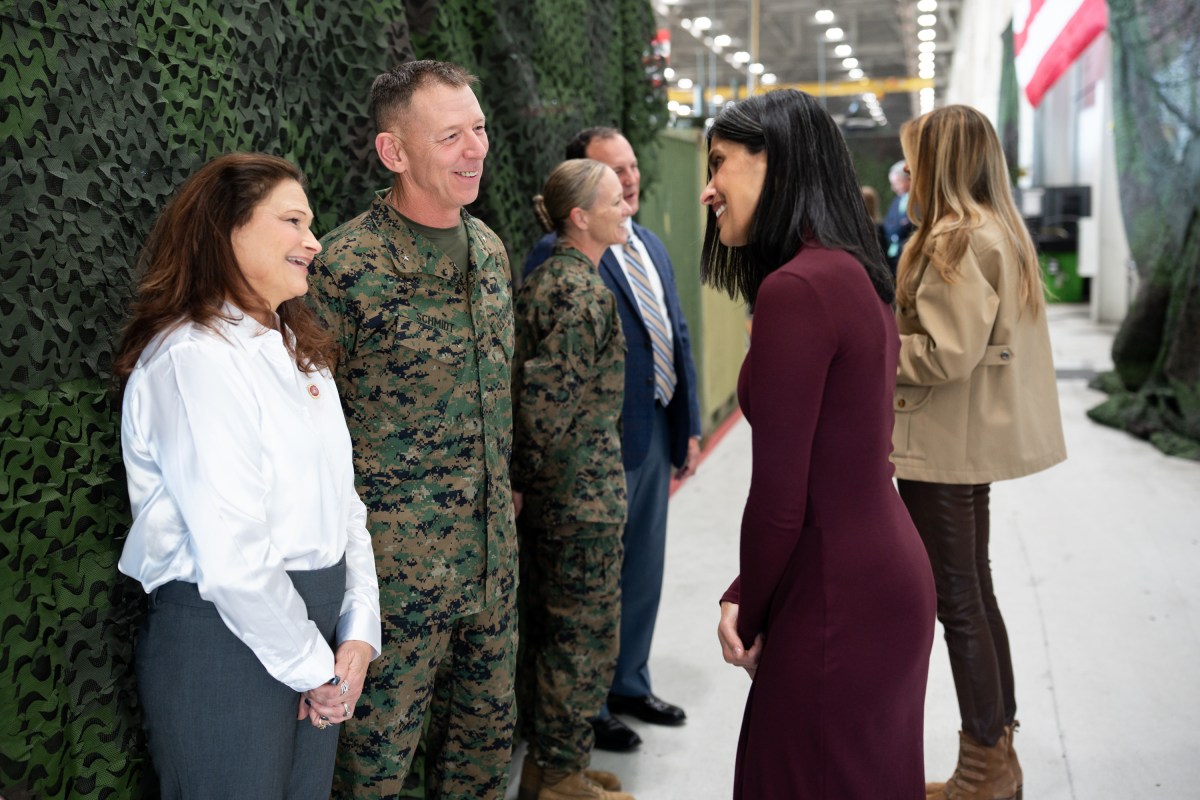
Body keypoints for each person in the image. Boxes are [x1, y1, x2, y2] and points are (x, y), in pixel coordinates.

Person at [113, 152, 382, 799]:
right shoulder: (194, 358)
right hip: (223, 642)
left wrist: (359, 635)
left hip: (314, 639)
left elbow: (347, 508)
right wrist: (316, 666)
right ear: (226, 229)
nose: (313, 241)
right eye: (292, 220)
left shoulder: (303, 356)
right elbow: (233, 555)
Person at [703, 89, 936, 799]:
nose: (709, 189)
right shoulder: (850, 273)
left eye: (719, 164)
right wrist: (754, 588)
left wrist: (751, 609)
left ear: (776, 162)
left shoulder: (797, 290)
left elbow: (779, 497)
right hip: (873, 573)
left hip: (839, 591)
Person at [308, 60, 517, 798]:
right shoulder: (342, 269)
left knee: (483, 763)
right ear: (394, 152)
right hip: (392, 592)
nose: (477, 149)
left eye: (481, 128)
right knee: (372, 777)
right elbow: (307, 434)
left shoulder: (490, 253)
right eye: (453, 135)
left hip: (491, 577)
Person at [892, 105, 1066, 800]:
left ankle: (983, 768)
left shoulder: (954, 239)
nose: (906, 172)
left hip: (941, 444)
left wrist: (872, 343)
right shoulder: (1000, 231)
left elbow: (943, 353)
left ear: (939, 163)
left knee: (958, 601)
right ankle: (997, 756)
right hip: (966, 443)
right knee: (975, 592)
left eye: (915, 158)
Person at [524, 127, 701, 753]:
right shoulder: (555, 262)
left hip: (651, 430)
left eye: (630, 168)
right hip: (596, 447)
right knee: (591, 586)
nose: (628, 183)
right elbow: (544, 384)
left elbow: (673, 334)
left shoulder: (647, 242)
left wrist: (690, 424)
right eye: (612, 174)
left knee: (643, 567)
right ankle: (588, 707)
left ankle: (629, 682)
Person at [513, 159, 635, 800]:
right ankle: (559, 775)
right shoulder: (581, 294)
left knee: (558, 633)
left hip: (565, 497)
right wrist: (525, 478)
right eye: (615, 200)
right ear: (580, 217)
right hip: (577, 500)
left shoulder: (552, 280)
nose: (626, 208)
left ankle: (551, 766)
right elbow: (543, 404)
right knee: (580, 639)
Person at [882, 159, 916, 274]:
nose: (893, 188)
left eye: (897, 183)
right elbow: (888, 223)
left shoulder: (921, 202)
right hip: (893, 258)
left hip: (910, 258)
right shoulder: (897, 201)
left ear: (909, 180)